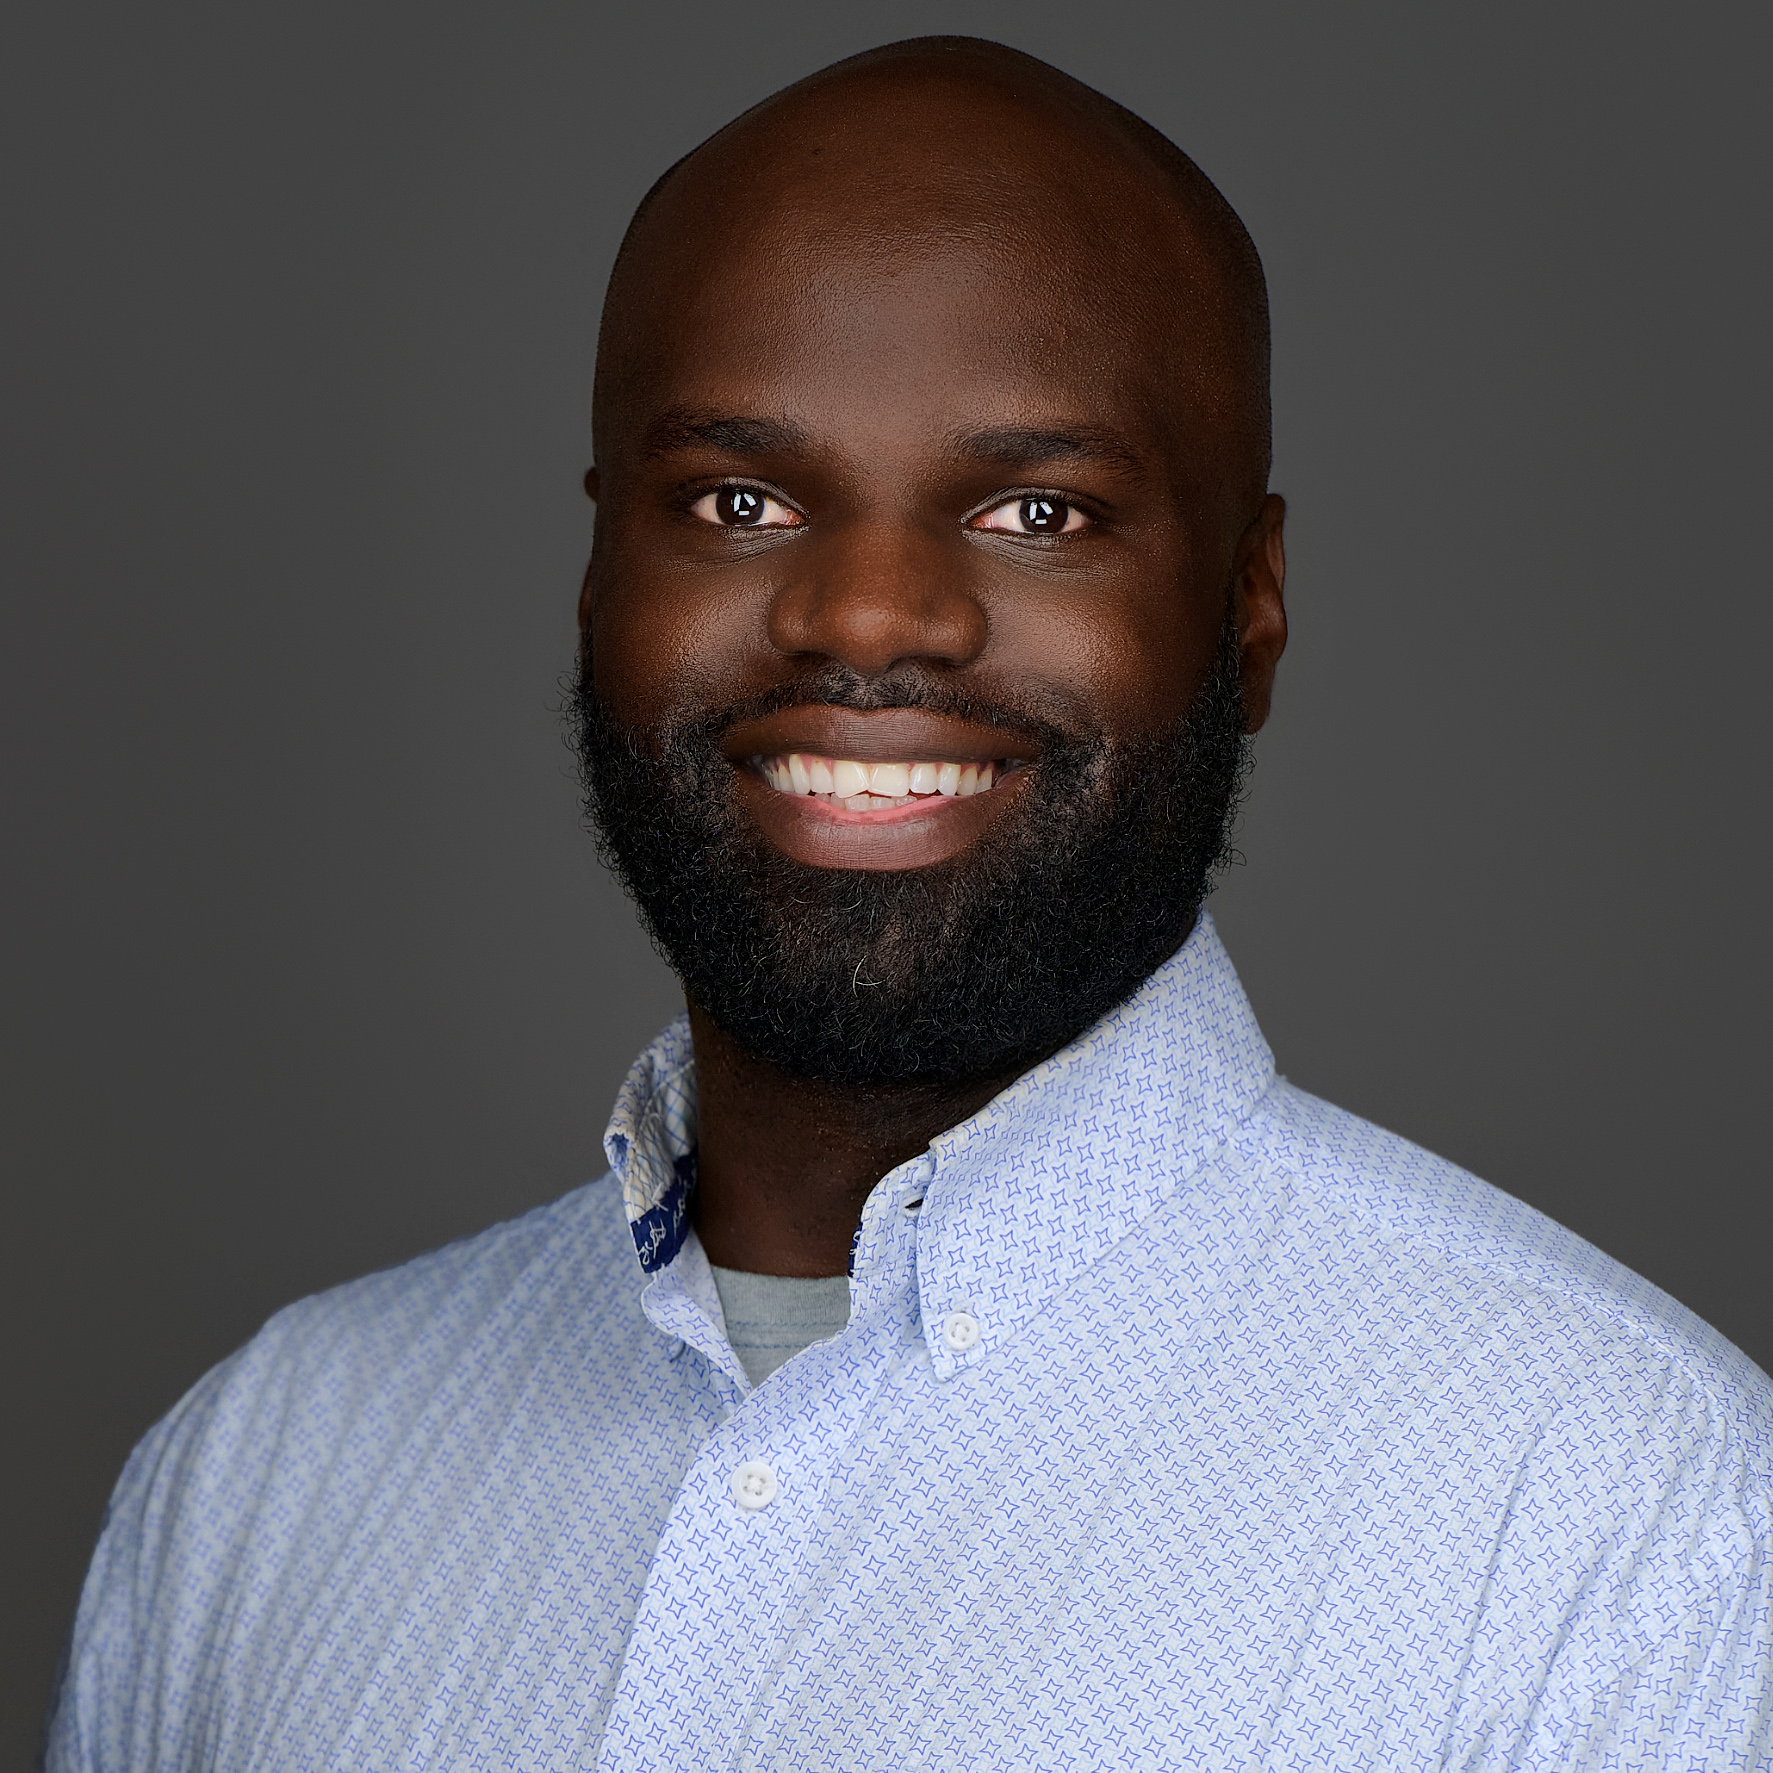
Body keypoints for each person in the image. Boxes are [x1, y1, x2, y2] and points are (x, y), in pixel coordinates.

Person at [45, 36, 1772, 1772]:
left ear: (1248, 607)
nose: (867, 617)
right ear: (595, 575)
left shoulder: (1623, 1524)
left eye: (1037, 508)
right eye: (739, 500)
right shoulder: (259, 1472)